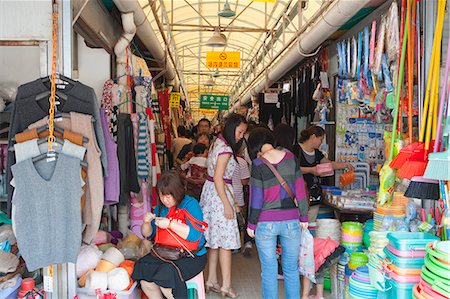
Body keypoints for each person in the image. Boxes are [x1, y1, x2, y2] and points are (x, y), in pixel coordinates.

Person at [246, 127, 309, 299]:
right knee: (291, 269)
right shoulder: (291, 159)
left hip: (265, 222)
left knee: (269, 270)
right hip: (291, 221)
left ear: (255, 146)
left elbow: (256, 198)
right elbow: (300, 190)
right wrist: (304, 216)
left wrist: (251, 224)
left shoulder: (258, 165)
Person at [132, 171, 207, 299]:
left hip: (190, 256)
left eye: (169, 196)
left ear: (177, 192)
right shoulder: (161, 208)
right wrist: (146, 223)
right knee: (144, 275)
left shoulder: (190, 204)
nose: (165, 200)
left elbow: (195, 235)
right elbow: (149, 234)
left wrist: (170, 224)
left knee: (166, 279)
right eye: (162, 196)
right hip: (164, 253)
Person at [200, 113, 247, 298]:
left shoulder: (216, 143)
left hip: (210, 194)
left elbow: (215, 178)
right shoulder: (226, 149)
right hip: (219, 198)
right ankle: (226, 285)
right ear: (231, 128)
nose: (241, 136)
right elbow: (220, 178)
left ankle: (211, 280)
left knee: (214, 241)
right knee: (226, 243)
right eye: (240, 131)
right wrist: (228, 205)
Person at [296, 125, 354, 221]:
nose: (321, 142)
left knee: (309, 224)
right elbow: (292, 169)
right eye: (321, 139)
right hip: (299, 196)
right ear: (313, 137)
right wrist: (311, 170)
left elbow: (330, 164)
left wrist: (345, 165)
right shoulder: (296, 150)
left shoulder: (317, 153)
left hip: (314, 197)